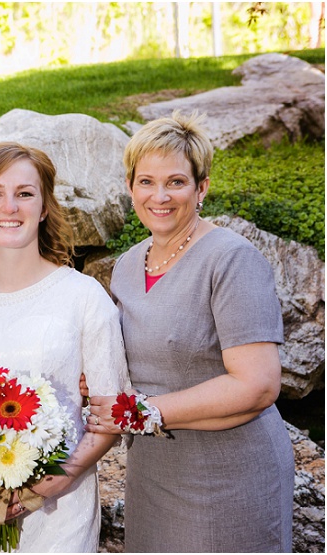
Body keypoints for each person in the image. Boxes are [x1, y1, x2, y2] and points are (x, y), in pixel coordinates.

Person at [86, 112, 294, 552]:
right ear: (130, 187)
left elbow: (257, 385)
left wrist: (145, 411)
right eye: (146, 181)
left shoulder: (232, 260)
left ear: (202, 188)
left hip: (229, 476)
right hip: (155, 472)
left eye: (176, 182)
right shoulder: (127, 265)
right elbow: (141, 358)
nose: (159, 196)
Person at [0, 142, 129, 552]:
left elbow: (111, 411)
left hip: (60, 513)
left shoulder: (84, 297)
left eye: (25, 194)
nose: (9, 207)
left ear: (45, 207)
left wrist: (55, 481)